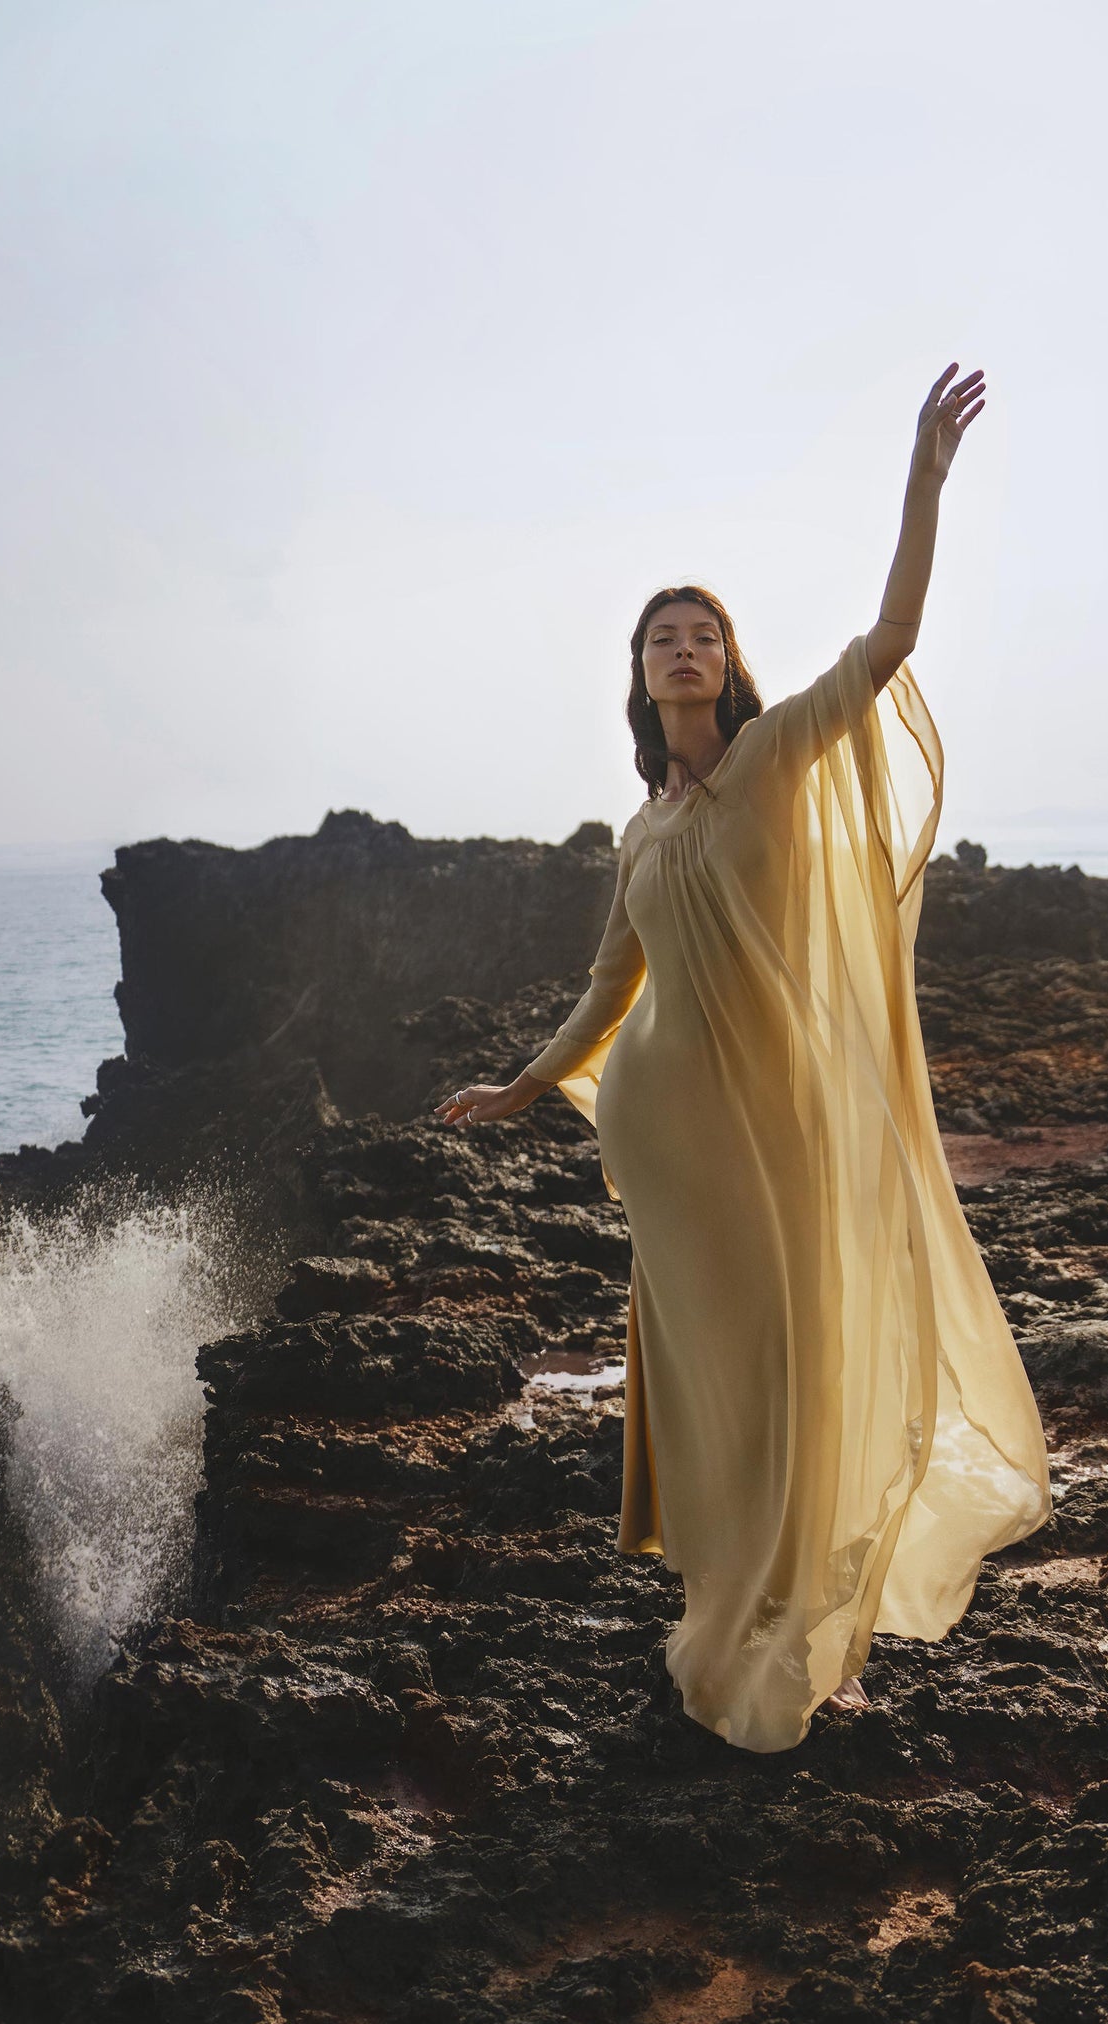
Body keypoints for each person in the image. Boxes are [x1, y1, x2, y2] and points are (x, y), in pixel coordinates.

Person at [435, 364, 1053, 1754]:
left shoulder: (777, 755)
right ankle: (736, 1591)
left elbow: (887, 641)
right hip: (664, 1136)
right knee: (717, 1367)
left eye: (701, 629)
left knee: (793, 1353)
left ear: (729, 662)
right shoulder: (640, 833)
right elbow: (608, 986)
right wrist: (526, 1085)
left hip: (771, 1116)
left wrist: (922, 480)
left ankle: (808, 1615)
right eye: (660, 633)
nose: (681, 645)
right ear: (636, 677)